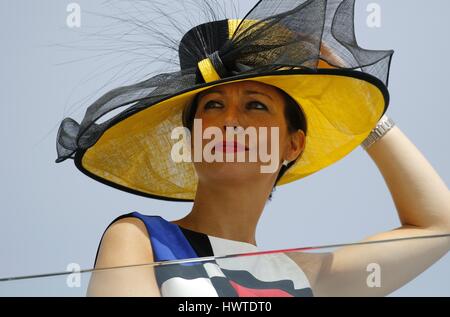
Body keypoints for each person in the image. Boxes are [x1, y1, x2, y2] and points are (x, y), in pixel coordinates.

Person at [55, 0, 450, 296]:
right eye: (212, 105)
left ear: (293, 145)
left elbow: (438, 227)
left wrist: (362, 113)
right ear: (192, 140)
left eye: (255, 105)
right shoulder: (141, 237)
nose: (230, 120)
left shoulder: (306, 275)